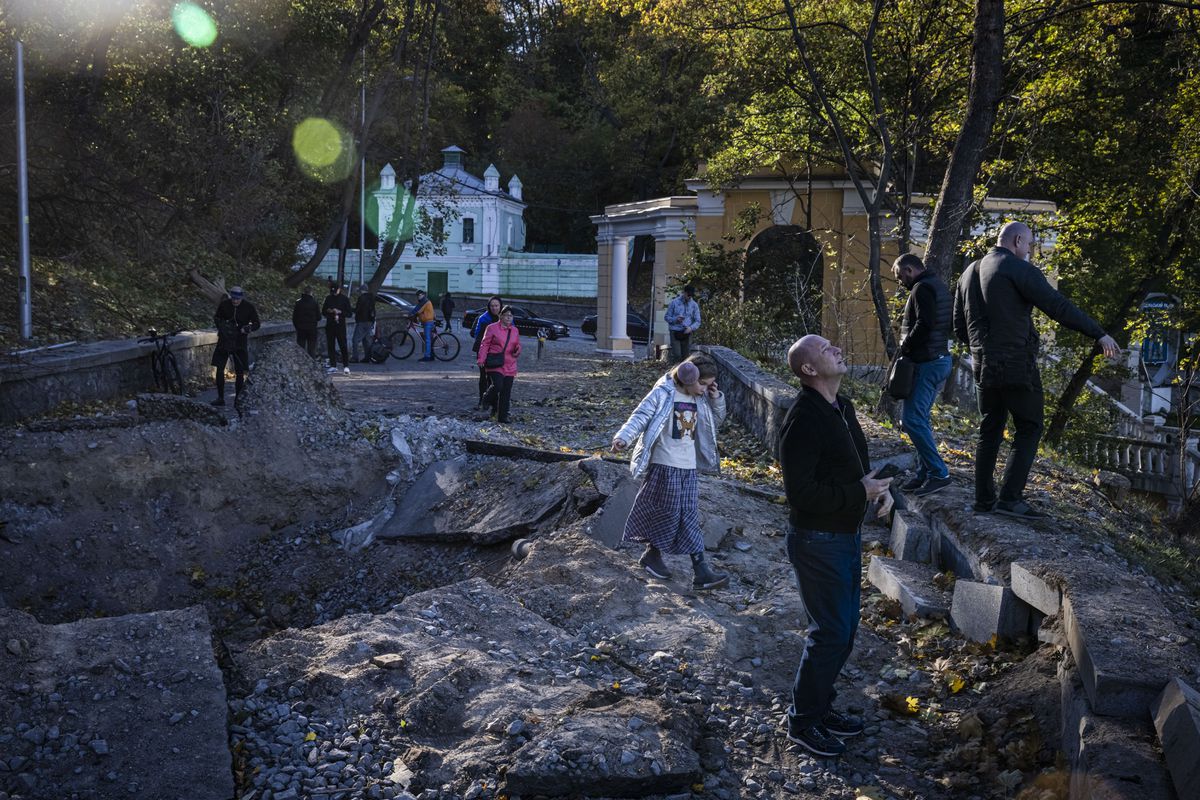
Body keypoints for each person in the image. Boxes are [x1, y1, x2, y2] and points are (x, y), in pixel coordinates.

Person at [953, 221, 1119, 519]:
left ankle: (983, 500)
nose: (1029, 250)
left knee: (989, 428)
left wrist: (982, 347)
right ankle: (1010, 499)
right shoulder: (1017, 268)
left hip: (981, 363)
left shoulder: (968, 272)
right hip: (1015, 363)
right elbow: (1057, 306)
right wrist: (1098, 333)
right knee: (1029, 427)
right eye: (1029, 245)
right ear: (1017, 240)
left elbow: (958, 326)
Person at [777, 334, 893, 757]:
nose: (838, 349)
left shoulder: (842, 408)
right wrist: (857, 493)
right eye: (826, 349)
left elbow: (856, 469)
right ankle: (802, 722)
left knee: (844, 633)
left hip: (845, 536)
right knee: (829, 633)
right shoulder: (803, 418)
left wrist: (879, 490)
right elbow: (801, 493)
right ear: (809, 369)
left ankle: (820, 708)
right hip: (816, 539)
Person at [610, 353, 729, 591]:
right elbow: (641, 415)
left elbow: (713, 424)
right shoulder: (664, 393)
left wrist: (716, 399)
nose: (705, 389)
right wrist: (623, 438)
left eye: (709, 386)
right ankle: (664, 559)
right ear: (687, 376)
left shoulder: (702, 399)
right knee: (668, 513)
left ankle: (697, 570)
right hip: (664, 464)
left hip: (687, 467)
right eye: (702, 384)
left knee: (688, 516)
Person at [892, 253, 953, 496]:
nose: (900, 282)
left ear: (909, 270)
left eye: (899, 276)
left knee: (912, 420)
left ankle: (939, 473)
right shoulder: (938, 286)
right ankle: (924, 472)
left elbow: (925, 324)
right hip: (939, 359)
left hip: (928, 362)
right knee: (920, 419)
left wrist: (905, 347)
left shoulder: (922, 289)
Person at [211, 286, 261, 407]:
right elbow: (217, 318)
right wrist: (223, 327)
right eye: (233, 298)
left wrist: (247, 328)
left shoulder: (248, 307)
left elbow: (257, 323)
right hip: (224, 340)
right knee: (220, 368)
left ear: (241, 297)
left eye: (237, 299)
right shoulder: (224, 305)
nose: (235, 301)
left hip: (240, 341)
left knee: (239, 371)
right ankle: (220, 397)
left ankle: (238, 399)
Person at [477, 305, 522, 423]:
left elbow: (517, 344)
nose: (508, 318)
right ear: (500, 316)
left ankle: (502, 417)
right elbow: (484, 344)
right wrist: (481, 359)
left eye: (511, 316)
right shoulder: (492, 328)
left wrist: (518, 349)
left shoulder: (515, 330)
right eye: (506, 315)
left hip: (510, 363)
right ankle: (486, 397)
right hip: (495, 362)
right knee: (498, 385)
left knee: (506, 392)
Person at [471, 295, 503, 409]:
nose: (494, 308)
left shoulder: (504, 318)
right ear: (489, 307)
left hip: (499, 353)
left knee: (496, 377)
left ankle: (493, 400)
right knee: (484, 377)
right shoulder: (483, 318)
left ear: (500, 306)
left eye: (496, 305)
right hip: (483, 351)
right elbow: (477, 335)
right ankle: (483, 400)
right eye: (492, 306)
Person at [322, 282, 353, 375]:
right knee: (330, 345)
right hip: (330, 325)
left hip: (340, 325)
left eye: (335, 291)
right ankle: (333, 365)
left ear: (339, 290)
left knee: (343, 345)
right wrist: (330, 311)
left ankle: (346, 366)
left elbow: (349, 313)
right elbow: (323, 311)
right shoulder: (328, 298)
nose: (334, 293)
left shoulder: (344, 299)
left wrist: (340, 312)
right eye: (333, 292)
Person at [665, 285, 701, 363]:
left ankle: (684, 374)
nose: (690, 297)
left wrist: (691, 328)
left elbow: (698, 321)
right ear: (684, 293)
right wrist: (675, 320)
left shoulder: (694, 305)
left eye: (691, 295)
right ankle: (675, 373)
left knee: (686, 357)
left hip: (687, 332)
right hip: (675, 331)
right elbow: (666, 317)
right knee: (677, 355)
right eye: (688, 295)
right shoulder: (674, 302)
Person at [291, 287, 321, 359]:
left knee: (300, 347)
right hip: (312, 328)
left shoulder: (298, 302)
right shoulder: (315, 302)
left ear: (304, 292)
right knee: (311, 348)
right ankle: (312, 364)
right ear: (311, 292)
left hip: (301, 328)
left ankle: (301, 362)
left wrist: (297, 327)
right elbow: (319, 317)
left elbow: (294, 317)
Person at [350, 283, 376, 363]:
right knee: (366, 340)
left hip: (362, 321)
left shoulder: (361, 298)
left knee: (355, 340)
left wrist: (350, 308)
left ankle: (355, 357)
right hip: (370, 321)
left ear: (361, 290)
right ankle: (367, 357)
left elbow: (358, 310)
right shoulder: (371, 298)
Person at [413, 289, 436, 362]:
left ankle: (427, 356)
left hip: (428, 322)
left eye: (419, 295)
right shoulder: (424, 301)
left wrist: (410, 314)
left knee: (427, 340)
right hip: (428, 321)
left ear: (422, 295)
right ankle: (431, 355)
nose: (418, 297)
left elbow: (417, 310)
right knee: (430, 339)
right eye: (417, 296)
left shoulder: (424, 301)